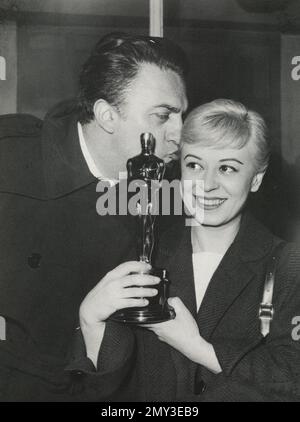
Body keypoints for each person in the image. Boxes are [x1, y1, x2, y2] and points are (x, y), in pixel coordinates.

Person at [0, 32, 188, 401]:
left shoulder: (171, 189)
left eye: (182, 115)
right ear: (106, 116)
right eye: (163, 116)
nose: (179, 135)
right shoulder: (11, 163)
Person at [76, 99, 300, 402]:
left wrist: (199, 348)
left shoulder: (289, 265)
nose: (207, 185)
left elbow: (292, 380)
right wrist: (90, 322)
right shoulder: (142, 258)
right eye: (195, 165)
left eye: (227, 168)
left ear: (256, 179)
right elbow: (114, 398)